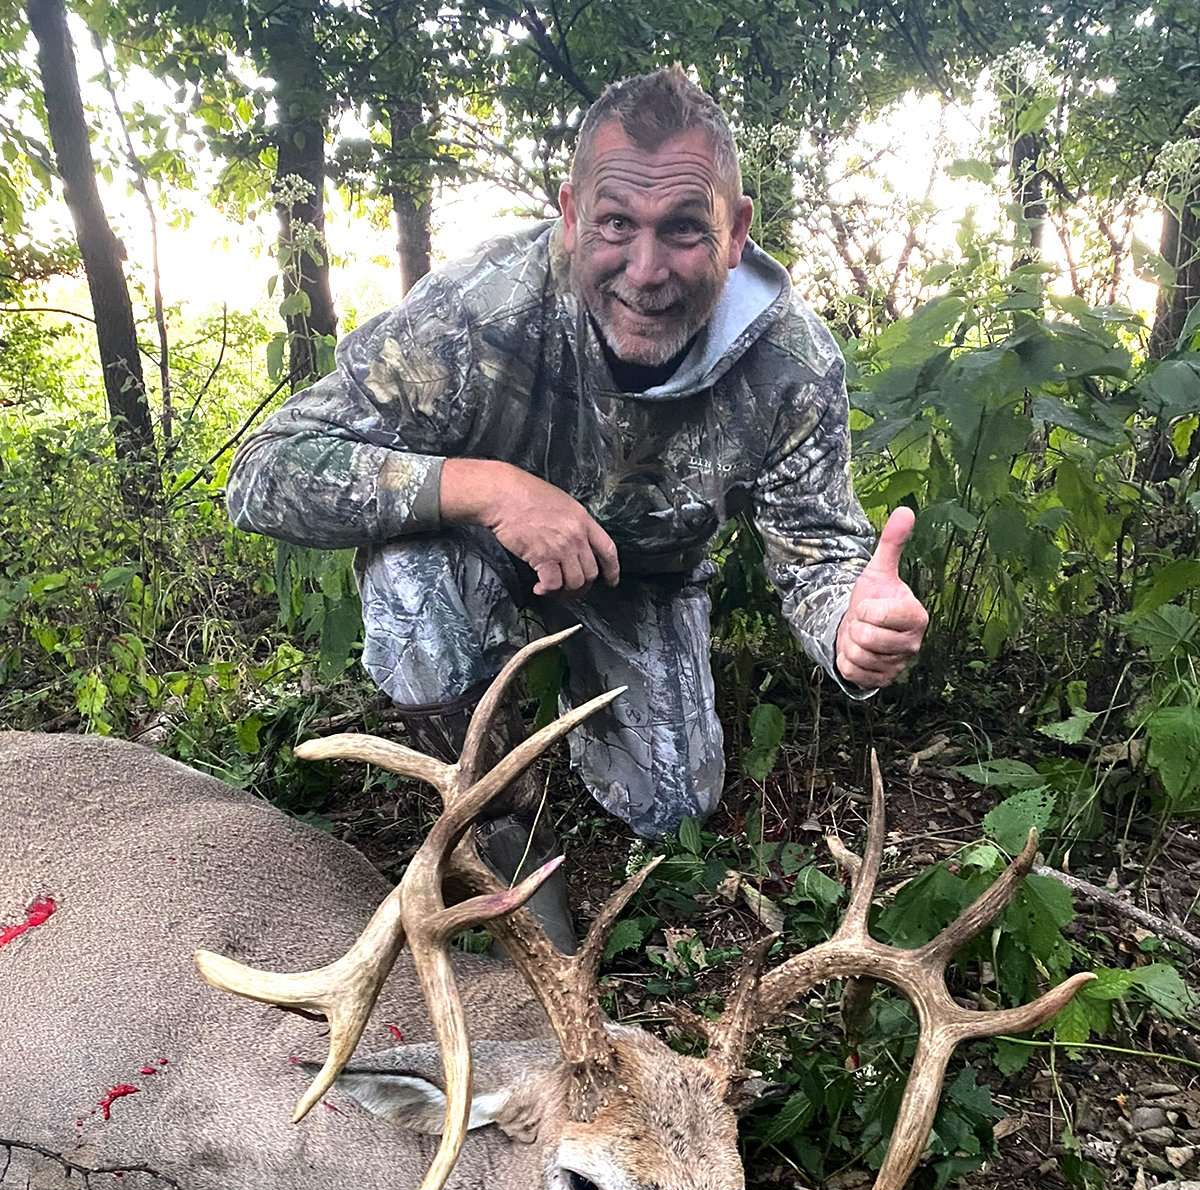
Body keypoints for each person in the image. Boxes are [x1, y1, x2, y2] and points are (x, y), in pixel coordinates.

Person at [227, 66, 928, 952]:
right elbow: (266, 470)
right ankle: (502, 835)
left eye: (682, 230)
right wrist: (489, 490)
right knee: (409, 578)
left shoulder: (789, 364)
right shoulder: (479, 312)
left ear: (737, 229)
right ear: (570, 213)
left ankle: (573, 702)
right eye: (616, 226)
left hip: (640, 584)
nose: (646, 271)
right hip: (477, 556)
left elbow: (821, 554)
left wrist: (851, 628)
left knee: (673, 805)